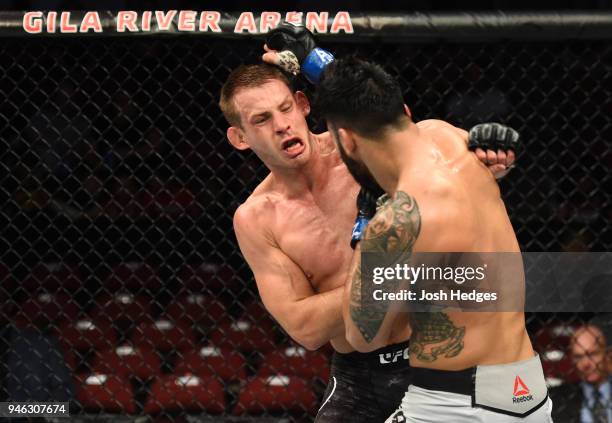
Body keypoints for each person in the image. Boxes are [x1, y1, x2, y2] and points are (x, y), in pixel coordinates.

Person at [220, 29, 518, 422]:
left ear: (303, 104)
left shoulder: (358, 150)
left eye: (284, 109)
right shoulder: (257, 217)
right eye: (261, 119)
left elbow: (408, 128)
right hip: (361, 376)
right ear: (239, 138)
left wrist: (484, 164)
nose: (281, 125)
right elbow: (305, 327)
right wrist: (390, 272)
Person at [550, 324, 611, 423]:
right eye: (579, 357)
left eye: (592, 354)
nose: (586, 363)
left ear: (606, 354)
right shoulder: (556, 400)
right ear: (572, 360)